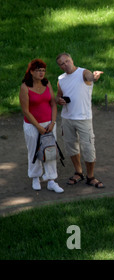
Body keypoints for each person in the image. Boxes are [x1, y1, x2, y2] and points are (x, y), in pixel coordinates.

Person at [55, 52, 105, 188]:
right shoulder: (61, 79)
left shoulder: (83, 73)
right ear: (60, 67)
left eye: (67, 61)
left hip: (83, 118)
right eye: (62, 64)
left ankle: (91, 176)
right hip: (67, 118)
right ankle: (78, 172)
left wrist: (94, 76)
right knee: (71, 147)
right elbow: (58, 96)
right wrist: (59, 100)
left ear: (71, 60)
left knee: (88, 148)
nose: (65, 64)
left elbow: (90, 77)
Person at [19, 59, 64, 193]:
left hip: (49, 124)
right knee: (33, 150)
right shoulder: (25, 87)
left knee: (50, 150)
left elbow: (52, 103)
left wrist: (53, 122)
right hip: (32, 125)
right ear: (31, 72)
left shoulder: (47, 83)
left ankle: (51, 180)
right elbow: (25, 110)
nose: (41, 73)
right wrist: (38, 127)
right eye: (38, 70)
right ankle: (35, 177)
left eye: (43, 70)